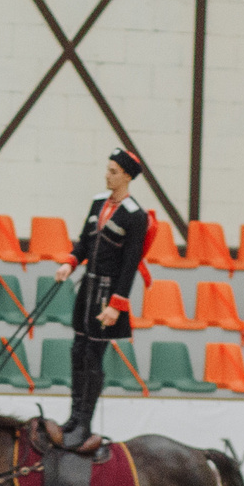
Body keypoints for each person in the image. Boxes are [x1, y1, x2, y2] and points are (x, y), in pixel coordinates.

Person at [54, 148, 152, 448]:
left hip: (108, 294)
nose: (107, 175)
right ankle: (73, 416)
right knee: (78, 350)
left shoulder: (136, 216)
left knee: (93, 356)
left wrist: (116, 306)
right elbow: (85, 243)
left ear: (126, 175)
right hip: (87, 289)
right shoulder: (98, 202)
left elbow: (130, 264)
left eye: (112, 171)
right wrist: (70, 262)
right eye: (107, 170)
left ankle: (84, 422)